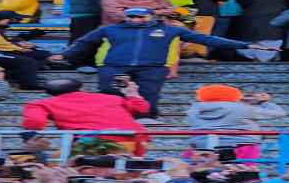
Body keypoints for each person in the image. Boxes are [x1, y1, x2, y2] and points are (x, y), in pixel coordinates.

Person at [56, 7, 273, 123]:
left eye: (140, 16)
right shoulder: (111, 29)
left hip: (152, 67)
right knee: (109, 93)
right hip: (115, 66)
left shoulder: (170, 29)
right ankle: (108, 120)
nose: (134, 19)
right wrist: (64, 55)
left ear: (151, 16)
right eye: (131, 16)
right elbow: (84, 42)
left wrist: (246, 44)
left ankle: (148, 120)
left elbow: (208, 40)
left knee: (149, 95)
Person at [22, 77, 151, 155]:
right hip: (134, 141)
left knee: (55, 165)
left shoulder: (42, 103)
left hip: (90, 144)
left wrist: (31, 137)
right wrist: (133, 93)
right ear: (80, 87)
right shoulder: (111, 98)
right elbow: (142, 109)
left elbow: (34, 122)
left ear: (48, 92)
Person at [186, 84, 287, 157]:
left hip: (200, 148)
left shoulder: (193, 110)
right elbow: (279, 113)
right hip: (240, 148)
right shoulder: (242, 109)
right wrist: (264, 102)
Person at [0, 10, 51, 90]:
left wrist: (25, 38)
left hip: (4, 51)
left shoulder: (0, 28)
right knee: (27, 62)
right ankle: (29, 85)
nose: (17, 21)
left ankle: (25, 75)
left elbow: (7, 41)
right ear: (1, 19)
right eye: (14, 19)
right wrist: (18, 47)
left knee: (41, 54)